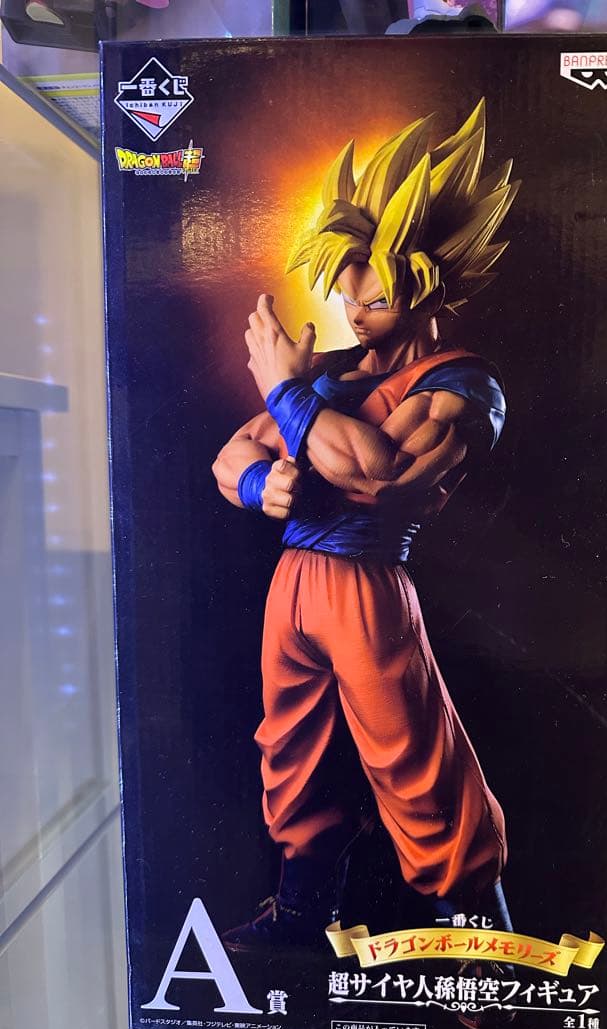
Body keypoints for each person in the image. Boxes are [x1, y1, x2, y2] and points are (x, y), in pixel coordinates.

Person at [212, 100, 520, 951]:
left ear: (429, 285)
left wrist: (285, 391)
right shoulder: (333, 373)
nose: (353, 310)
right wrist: (262, 485)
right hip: (295, 583)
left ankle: (474, 947)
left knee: (415, 762)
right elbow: (232, 455)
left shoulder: (461, 385)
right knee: (290, 754)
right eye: (348, 292)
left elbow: (376, 474)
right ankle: (301, 915)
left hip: (366, 583)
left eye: (374, 296)